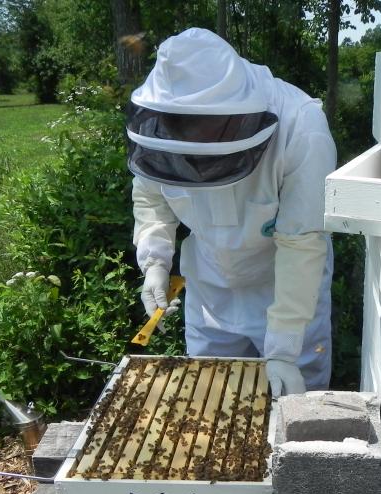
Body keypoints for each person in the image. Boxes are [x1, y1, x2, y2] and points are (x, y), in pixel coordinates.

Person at [127, 27, 336, 397]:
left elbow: (302, 240)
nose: (193, 153)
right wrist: (155, 261)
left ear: (234, 115)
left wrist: (285, 347)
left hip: (287, 290)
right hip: (210, 290)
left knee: (297, 413)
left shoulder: (301, 125)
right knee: (210, 400)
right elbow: (152, 199)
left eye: (203, 134)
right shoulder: (160, 127)